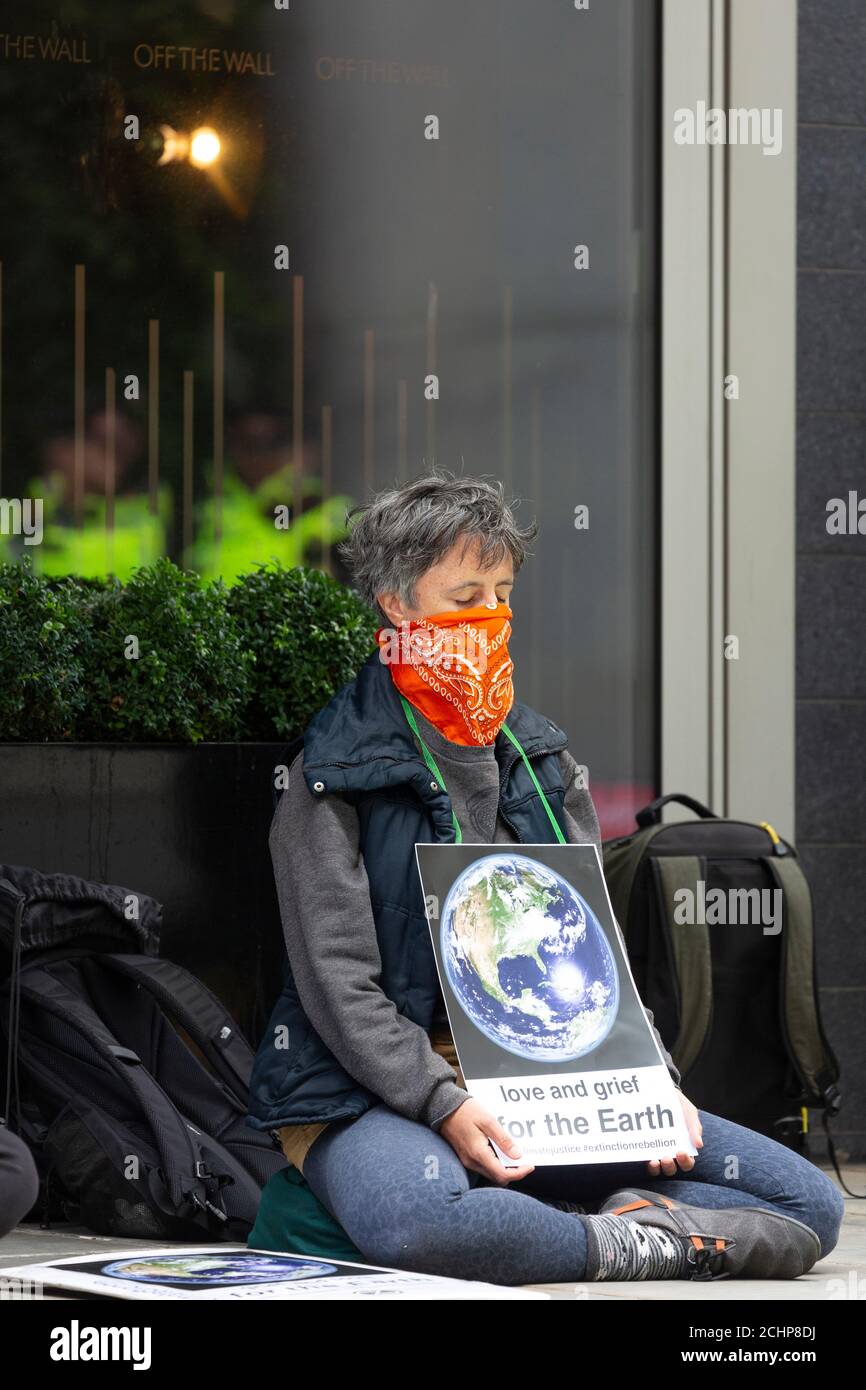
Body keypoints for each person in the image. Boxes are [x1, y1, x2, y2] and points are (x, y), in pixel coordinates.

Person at [246, 471, 844, 1285]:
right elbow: (338, 986)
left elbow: (600, 965)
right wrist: (444, 1104)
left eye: (501, 593)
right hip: (372, 1091)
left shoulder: (547, 764)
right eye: (463, 599)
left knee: (811, 1205)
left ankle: (612, 1221)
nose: (489, 618)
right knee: (418, 1219)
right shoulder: (329, 778)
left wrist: (650, 1086)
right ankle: (629, 1241)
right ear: (397, 608)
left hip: (552, 1085)